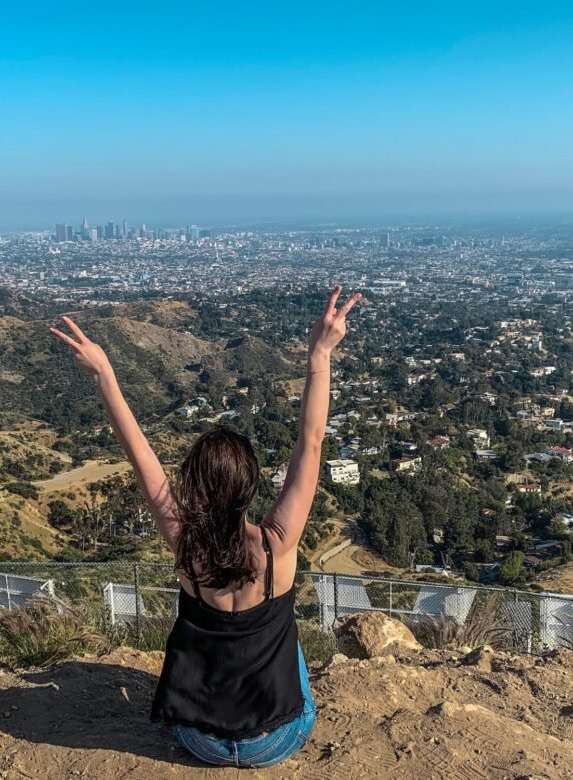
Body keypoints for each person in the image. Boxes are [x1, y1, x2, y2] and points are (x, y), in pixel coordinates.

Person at [50, 286, 362, 768]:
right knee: (287, 638)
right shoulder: (277, 546)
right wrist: (319, 354)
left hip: (200, 741)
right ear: (251, 485)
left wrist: (106, 375)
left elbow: (141, 457)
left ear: (193, 486)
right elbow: (311, 441)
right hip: (272, 743)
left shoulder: (185, 546)